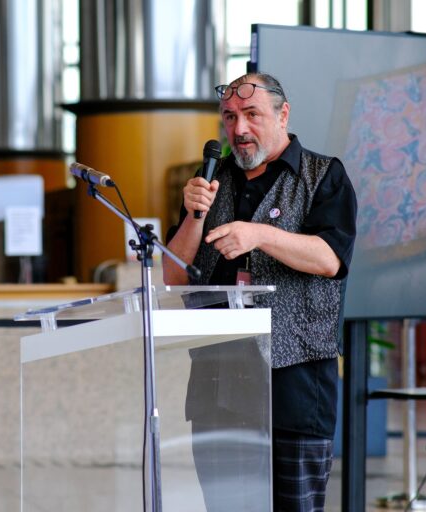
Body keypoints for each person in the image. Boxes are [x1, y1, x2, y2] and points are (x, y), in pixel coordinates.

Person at [163, 72, 357, 512]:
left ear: (283, 114)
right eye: (230, 117)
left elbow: (329, 259)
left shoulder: (323, 175)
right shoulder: (211, 180)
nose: (240, 128)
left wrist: (260, 235)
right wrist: (195, 215)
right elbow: (174, 275)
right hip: (219, 389)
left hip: (295, 389)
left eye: (252, 114)